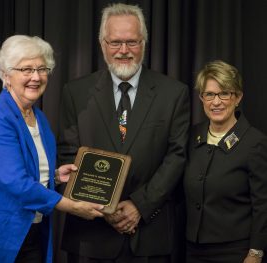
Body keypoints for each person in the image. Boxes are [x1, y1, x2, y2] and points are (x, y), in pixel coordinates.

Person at [57, 3, 190, 263]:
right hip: (90, 235)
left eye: (132, 42)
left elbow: (177, 156)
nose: (124, 51)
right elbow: (68, 152)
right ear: (102, 44)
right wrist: (106, 208)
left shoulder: (174, 93)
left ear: (144, 43)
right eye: (115, 42)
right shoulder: (76, 93)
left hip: (149, 235)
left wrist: (140, 205)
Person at [0, 35, 104, 263]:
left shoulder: (37, 117)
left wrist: (54, 176)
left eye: (42, 69)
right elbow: (15, 182)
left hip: (30, 232)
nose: (36, 77)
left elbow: (25, 170)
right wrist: (72, 206)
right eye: (26, 69)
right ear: (6, 75)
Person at [184, 60, 267, 263]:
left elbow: (263, 205)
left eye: (224, 93)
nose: (216, 102)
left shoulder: (255, 143)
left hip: (236, 253)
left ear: (237, 97)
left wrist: (255, 253)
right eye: (209, 94)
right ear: (202, 98)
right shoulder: (191, 136)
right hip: (192, 250)